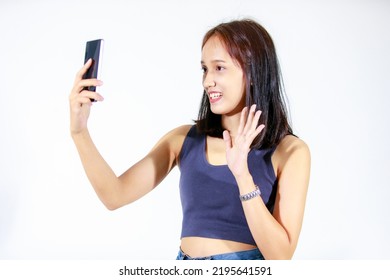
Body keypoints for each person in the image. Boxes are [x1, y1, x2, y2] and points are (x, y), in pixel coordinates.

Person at [69, 18, 311, 260]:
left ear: (253, 72)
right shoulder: (184, 139)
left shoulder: (289, 151)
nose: (207, 81)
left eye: (219, 68)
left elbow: (281, 257)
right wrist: (79, 132)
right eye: (205, 69)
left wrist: (243, 176)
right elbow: (115, 195)